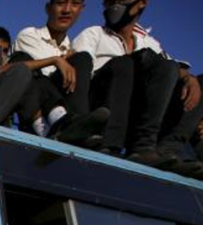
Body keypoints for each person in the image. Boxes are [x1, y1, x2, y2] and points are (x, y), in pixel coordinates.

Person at [72, 0, 203, 174]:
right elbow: (80, 75)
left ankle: (166, 150)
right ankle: (126, 146)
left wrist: (189, 78)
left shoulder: (149, 42)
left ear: (141, 3)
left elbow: (171, 69)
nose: (113, 5)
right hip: (103, 110)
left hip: (136, 114)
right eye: (109, 1)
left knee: (191, 80)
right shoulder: (94, 34)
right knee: (127, 63)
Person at [12, 0, 109, 144]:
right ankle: (67, 124)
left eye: (75, 4)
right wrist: (57, 60)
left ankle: (78, 125)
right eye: (60, 3)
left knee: (83, 58)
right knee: (28, 67)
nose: (67, 10)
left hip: (66, 108)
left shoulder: (73, 49)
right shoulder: (30, 35)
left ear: (81, 9)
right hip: (38, 117)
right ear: (48, 8)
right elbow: (40, 78)